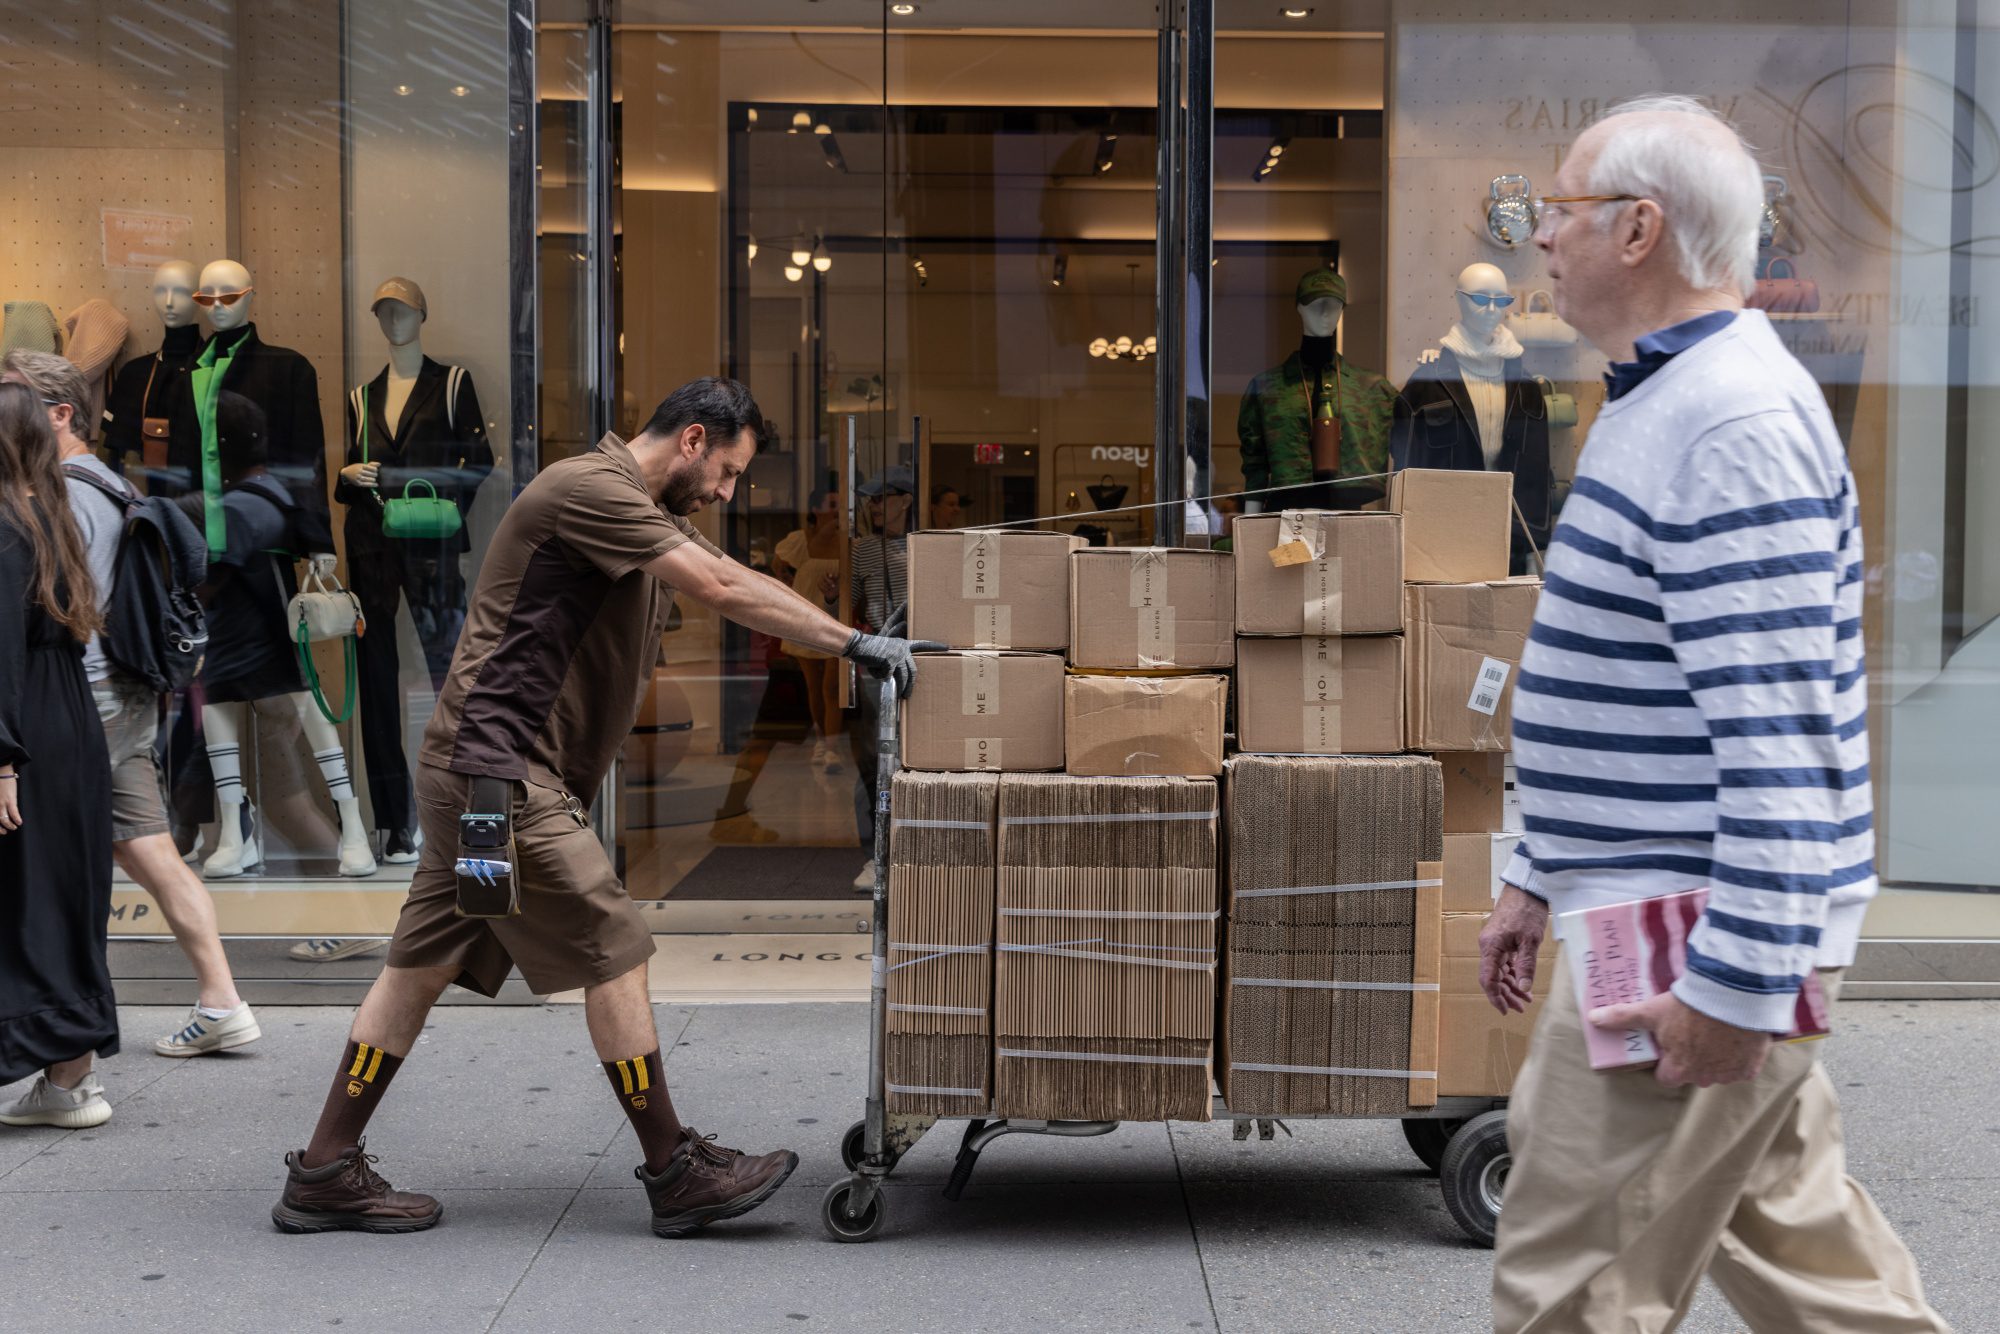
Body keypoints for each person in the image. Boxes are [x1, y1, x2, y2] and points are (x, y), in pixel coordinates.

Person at [1480, 96, 1948, 1333]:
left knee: (1564, 1292)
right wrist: (1534, 870)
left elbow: (1779, 744)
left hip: (1681, 932)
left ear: (1638, 230)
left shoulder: (1728, 420)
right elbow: (1632, 684)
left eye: (1558, 211)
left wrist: (1733, 990)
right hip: (1669, 911)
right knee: (1812, 1271)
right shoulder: (1669, 397)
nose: (1541, 238)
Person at [272, 377, 934, 1237]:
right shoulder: (590, 488)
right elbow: (720, 587)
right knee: (615, 945)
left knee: (417, 969)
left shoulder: (638, 507)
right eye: (729, 472)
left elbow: (724, 570)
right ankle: (675, 1169)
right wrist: (857, 644)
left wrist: (856, 634)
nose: (729, 493)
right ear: (693, 440)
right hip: (501, 776)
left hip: (481, 775)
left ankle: (324, 1168)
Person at [2, 351, 259, 1058]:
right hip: (118, 695)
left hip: (85, 699)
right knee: (151, 850)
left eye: (17, 404)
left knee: (55, 867)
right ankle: (222, 999)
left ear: (57, 415)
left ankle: (69, 1044)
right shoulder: (105, 483)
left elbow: (58, 606)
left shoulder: (70, 495)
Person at [0, 381, 118, 1128]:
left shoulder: (6, 528)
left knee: (29, 899)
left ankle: (64, 1072)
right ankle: (72, 1079)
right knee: (67, 894)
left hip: (26, 729)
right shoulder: (52, 518)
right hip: (69, 722)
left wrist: (1, 759)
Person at [846, 463, 912, 893]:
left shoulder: (924, 546)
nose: (873, 505)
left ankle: (910, 853)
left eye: (882, 497)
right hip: (876, 664)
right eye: (869, 498)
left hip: (921, 660)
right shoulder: (862, 550)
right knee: (873, 763)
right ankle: (875, 856)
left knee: (915, 760)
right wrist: (835, 592)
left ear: (905, 499)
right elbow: (846, 604)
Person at [775, 489, 844, 773]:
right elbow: (778, 566)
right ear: (816, 509)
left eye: (842, 506)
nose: (838, 511)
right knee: (814, 687)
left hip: (836, 621)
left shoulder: (848, 542)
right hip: (805, 621)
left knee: (833, 687)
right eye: (832, 505)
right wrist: (791, 589)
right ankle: (820, 739)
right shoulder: (800, 540)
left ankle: (832, 749)